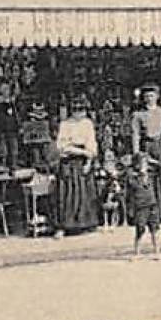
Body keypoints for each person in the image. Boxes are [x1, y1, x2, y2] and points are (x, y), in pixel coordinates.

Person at [130, 83, 161, 222]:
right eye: (147, 96)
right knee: (148, 179)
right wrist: (137, 153)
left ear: (157, 97)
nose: (150, 98)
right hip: (146, 147)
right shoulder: (138, 115)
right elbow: (135, 135)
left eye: (152, 96)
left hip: (160, 146)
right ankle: (150, 214)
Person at [53, 95, 100, 236]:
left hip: (83, 161)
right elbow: (62, 146)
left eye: (82, 109)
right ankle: (65, 225)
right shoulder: (65, 124)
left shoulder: (88, 124)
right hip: (69, 162)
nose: (79, 113)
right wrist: (80, 151)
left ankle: (85, 224)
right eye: (76, 109)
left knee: (85, 192)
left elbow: (92, 145)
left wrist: (89, 161)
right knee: (67, 194)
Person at [125, 151, 161, 260]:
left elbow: (160, 168)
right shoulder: (132, 175)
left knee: (154, 229)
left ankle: (157, 251)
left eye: (145, 163)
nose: (144, 165)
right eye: (142, 163)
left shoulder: (150, 173)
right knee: (140, 229)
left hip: (151, 203)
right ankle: (137, 252)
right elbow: (132, 185)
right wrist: (140, 174)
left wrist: (151, 161)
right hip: (140, 205)